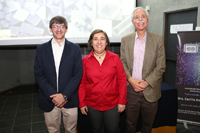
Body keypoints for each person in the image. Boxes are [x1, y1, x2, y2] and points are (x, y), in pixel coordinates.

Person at [120, 7, 166, 133]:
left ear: (148, 20)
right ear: (132, 22)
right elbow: (122, 62)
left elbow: (161, 65)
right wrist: (131, 80)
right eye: (136, 17)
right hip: (131, 90)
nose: (140, 19)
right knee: (130, 124)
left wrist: (146, 82)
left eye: (143, 16)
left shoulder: (158, 39)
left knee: (147, 126)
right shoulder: (125, 40)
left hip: (151, 90)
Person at [34, 16, 83, 133]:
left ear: (66, 29)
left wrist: (64, 95)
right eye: (55, 26)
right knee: (52, 130)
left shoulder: (75, 48)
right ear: (50, 29)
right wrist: (53, 95)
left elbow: (78, 74)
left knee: (70, 130)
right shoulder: (41, 49)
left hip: (69, 99)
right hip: (49, 99)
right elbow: (39, 74)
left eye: (61, 26)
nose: (59, 29)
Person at [78, 29, 127, 133]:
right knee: (97, 130)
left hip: (112, 104)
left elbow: (122, 80)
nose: (99, 42)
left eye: (102, 39)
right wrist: (82, 103)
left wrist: (122, 101)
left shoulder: (115, 58)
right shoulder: (85, 61)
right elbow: (82, 83)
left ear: (107, 42)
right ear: (91, 43)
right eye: (95, 39)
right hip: (93, 105)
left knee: (113, 130)